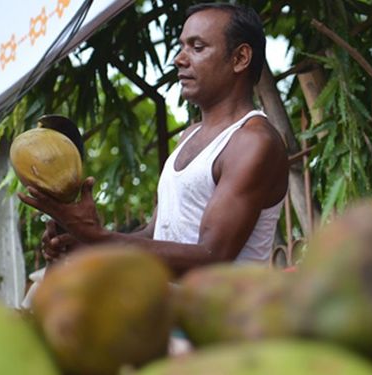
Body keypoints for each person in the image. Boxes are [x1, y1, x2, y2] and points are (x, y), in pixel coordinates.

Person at [19, 2, 289, 277]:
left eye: (197, 47)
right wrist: (85, 243)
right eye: (182, 46)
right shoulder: (190, 135)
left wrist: (98, 237)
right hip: (170, 313)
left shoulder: (252, 141)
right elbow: (154, 235)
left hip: (221, 317)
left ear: (240, 58)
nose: (179, 59)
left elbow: (211, 257)